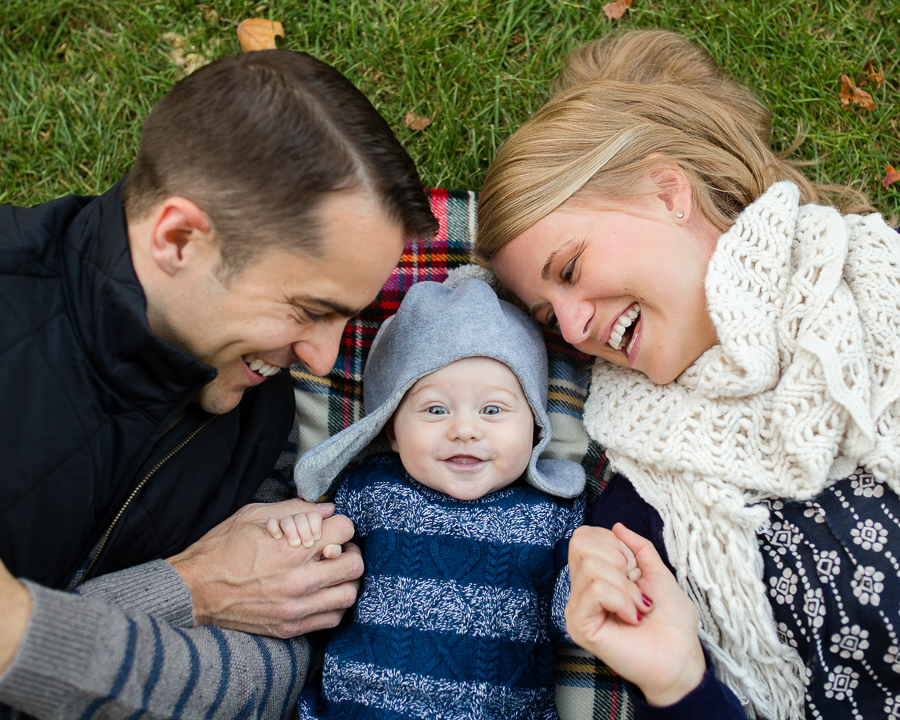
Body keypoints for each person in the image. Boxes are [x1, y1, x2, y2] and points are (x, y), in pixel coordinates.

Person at [475, 29, 900, 720]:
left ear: (669, 191)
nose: (577, 329)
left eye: (572, 270)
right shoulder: (639, 517)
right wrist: (678, 684)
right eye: (550, 319)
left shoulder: (883, 291)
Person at [0, 49, 437, 719]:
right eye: (310, 309)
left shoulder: (259, 413)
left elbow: (266, 674)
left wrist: (31, 631)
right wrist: (188, 590)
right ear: (178, 239)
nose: (321, 360)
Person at [276, 277, 588, 719]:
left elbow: (572, 623)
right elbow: (318, 580)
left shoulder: (553, 511)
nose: (464, 429)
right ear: (390, 429)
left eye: (493, 410)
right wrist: (305, 537)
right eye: (435, 410)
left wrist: (597, 591)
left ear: (536, 424)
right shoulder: (370, 489)